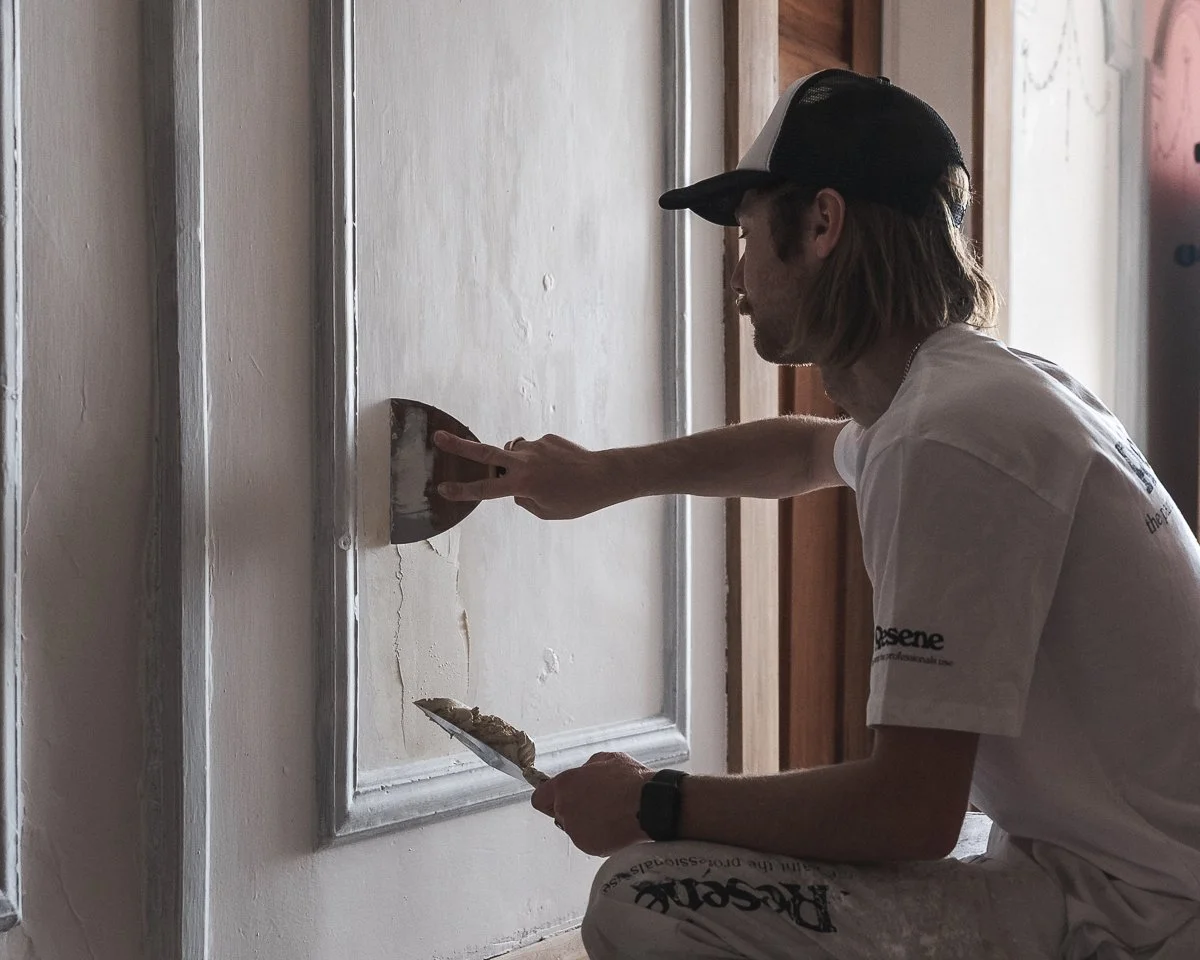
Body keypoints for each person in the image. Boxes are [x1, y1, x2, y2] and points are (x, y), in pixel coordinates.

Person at [434, 69, 1200, 960]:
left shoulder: (949, 439)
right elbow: (803, 451)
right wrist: (602, 476)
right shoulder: (974, 396)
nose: (739, 267)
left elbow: (911, 810)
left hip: (1143, 914)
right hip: (1097, 871)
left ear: (823, 223)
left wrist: (653, 800)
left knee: (646, 896)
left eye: (751, 230)